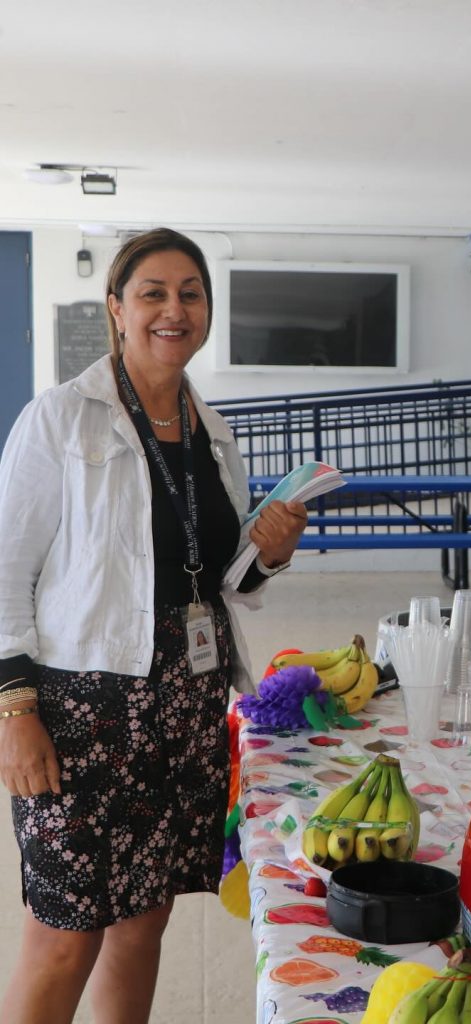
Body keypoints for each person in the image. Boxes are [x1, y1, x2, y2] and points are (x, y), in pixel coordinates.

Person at [0, 228, 308, 1024]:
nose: (175, 309)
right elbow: (5, 569)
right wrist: (14, 711)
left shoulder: (215, 434)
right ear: (117, 308)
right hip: (83, 714)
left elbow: (215, 580)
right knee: (65, 934)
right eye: (153, 293)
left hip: (186, 706)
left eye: (191, 294)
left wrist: (266, 557)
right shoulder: (62, 419)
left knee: (145, 920)